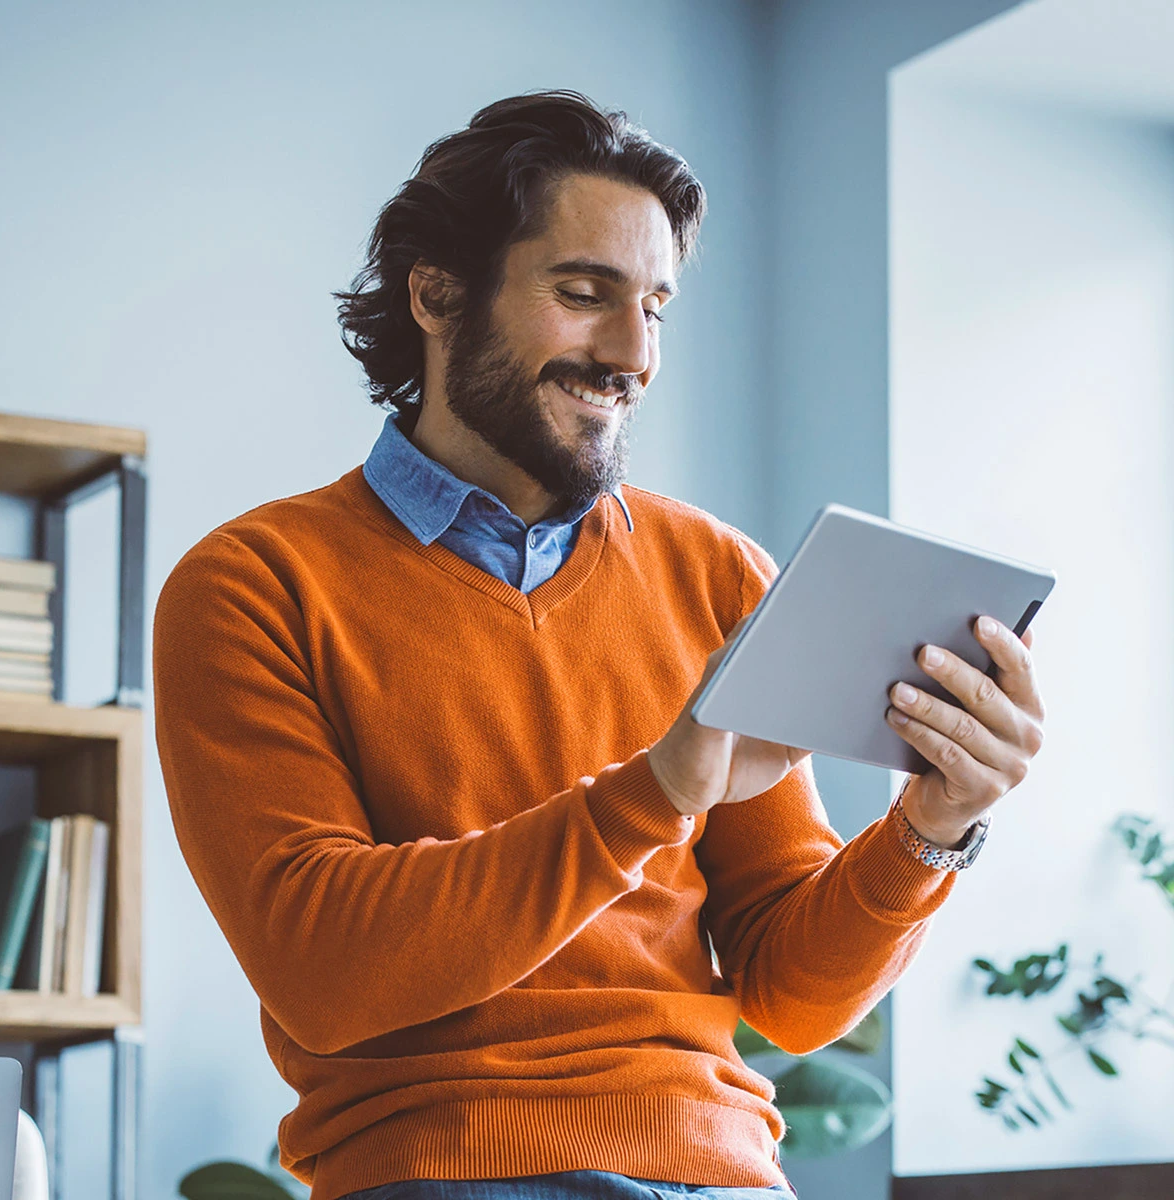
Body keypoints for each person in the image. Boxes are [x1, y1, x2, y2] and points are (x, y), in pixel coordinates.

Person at [152, 91, 1046, 1200]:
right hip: (445, 1170)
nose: (633, 353)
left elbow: (790, 995)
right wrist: (652, 794)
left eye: (657, 307)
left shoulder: (718, 573)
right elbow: (323, 969)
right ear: (437, 294)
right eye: (584, 295)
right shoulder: (254, 585)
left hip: (721, 1170)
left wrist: (933, 827)